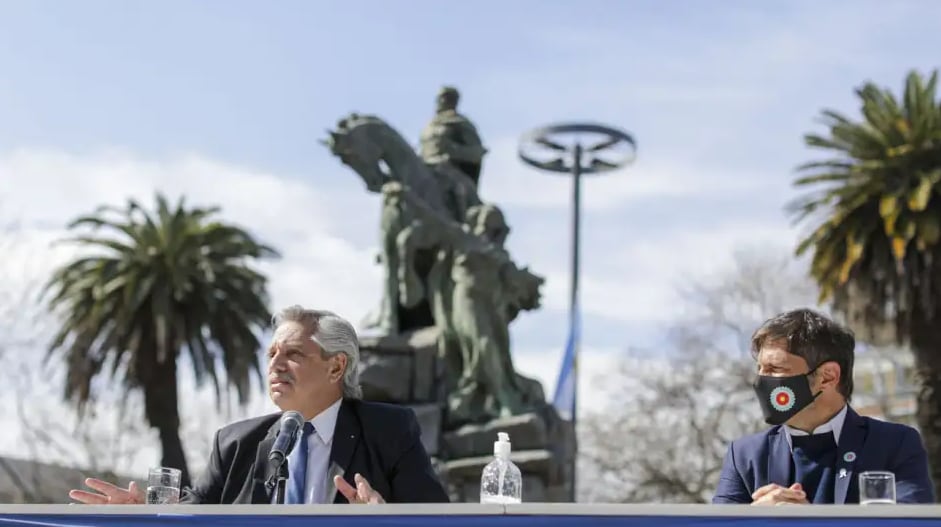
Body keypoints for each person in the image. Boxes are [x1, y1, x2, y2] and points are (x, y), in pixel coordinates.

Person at [69, 306, 450, 504]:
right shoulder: (236, 443)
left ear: (337, 366)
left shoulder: (390, 430)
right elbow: (191, 514)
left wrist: (385, 518)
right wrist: (147, 515)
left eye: (294, 353)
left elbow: (438, 522)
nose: (275, 364)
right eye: (272, 353)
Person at [713, 308, 934, 505]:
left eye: (774, 368)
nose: (760, 380)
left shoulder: (894, 445)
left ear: (827, 377)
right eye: (760, 368)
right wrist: (754, 522)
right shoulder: (744, 456)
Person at [419, 86, 487, 187]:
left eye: (443, 97)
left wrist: (452, 152)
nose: (438, 101)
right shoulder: (430, 126)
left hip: (448, 171)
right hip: (425, 168)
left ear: (453, 100)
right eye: (438, 98)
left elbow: (476, 152)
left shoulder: (460, 123)